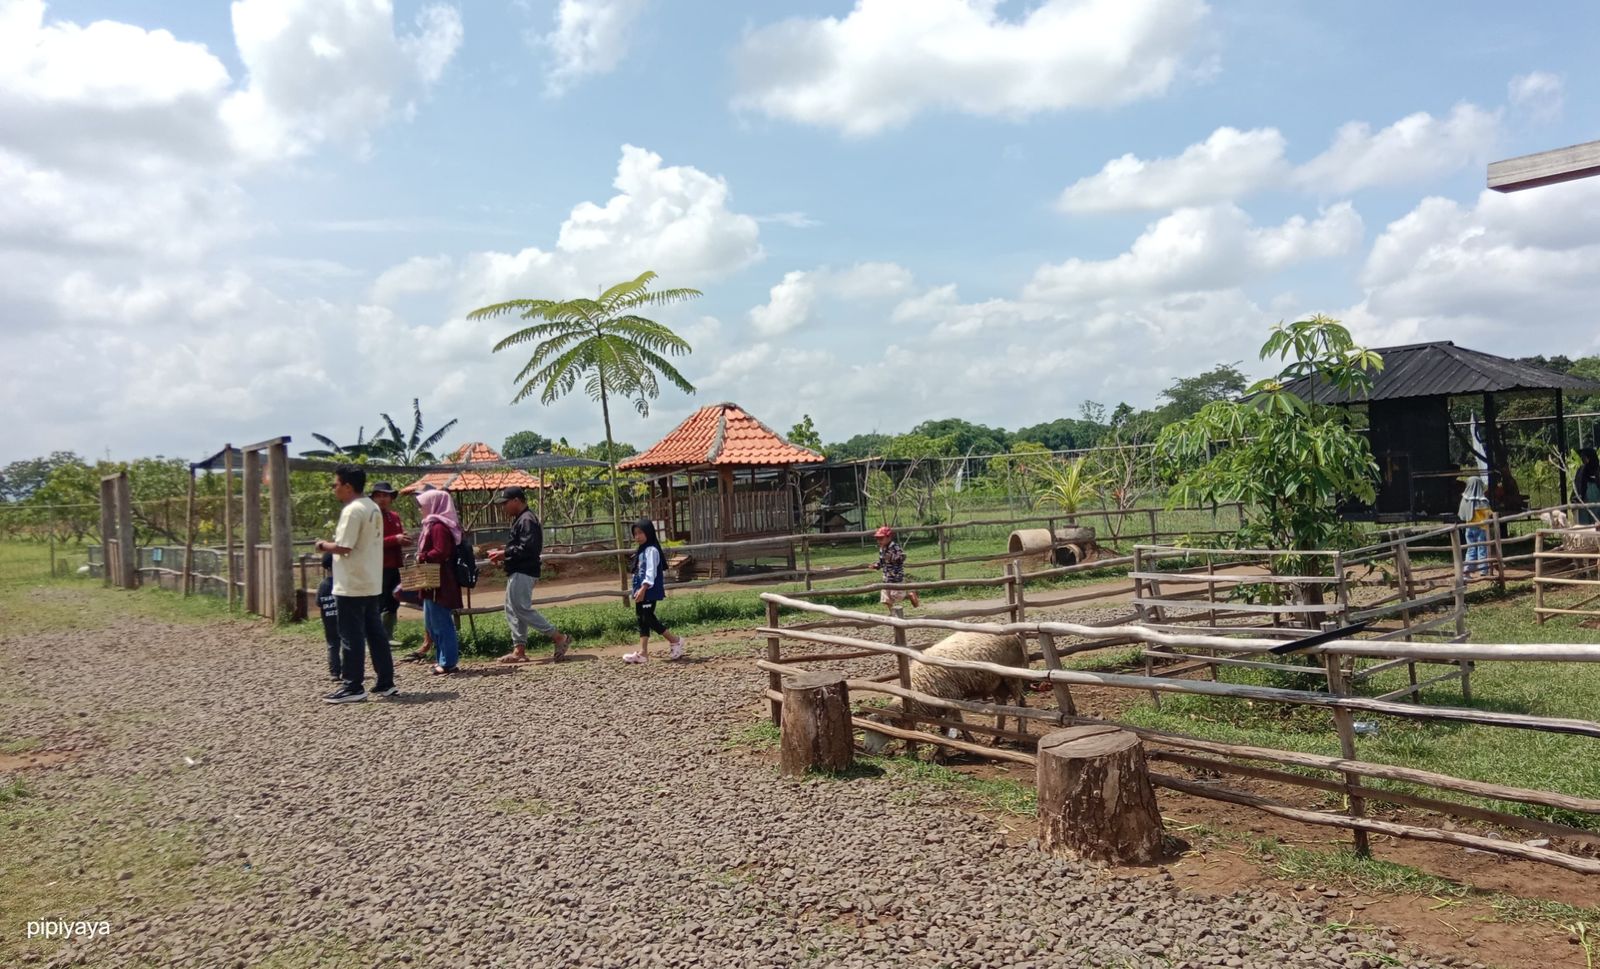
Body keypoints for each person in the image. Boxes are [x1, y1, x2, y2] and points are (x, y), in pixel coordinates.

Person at [315, 465, 397, 703]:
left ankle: (353, 685)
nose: (334, 489)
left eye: (336, 484)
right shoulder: (372, 507)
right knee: (376, 633)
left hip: (351, 582)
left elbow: (344, 546)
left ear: (348, 486)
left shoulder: (352, 510)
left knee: (350, 634)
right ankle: (385, 681)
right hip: (371, 579)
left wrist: (322, 545)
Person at [486, 486, 571, 663]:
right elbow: (521, 547)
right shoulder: (522, 519)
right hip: (519, 570)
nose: (504, 507)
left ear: (516, 500)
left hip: (524, 571)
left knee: (521, 608)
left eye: (506, 503)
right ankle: (519, 650)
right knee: (513, 609)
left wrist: (504, 553)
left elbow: (528, 548)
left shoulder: (527, 520)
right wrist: (505, 554)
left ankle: (558, 637)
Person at [623, 518, 687, 665]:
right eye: (635, 534)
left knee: (648, 617)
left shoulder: (651, 550)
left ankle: (675, 640)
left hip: (648, 590)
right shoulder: (642, 550)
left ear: (649, 532)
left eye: (640, 533)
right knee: (641, 618)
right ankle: (643, 653)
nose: (637, 536)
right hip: (641, 590)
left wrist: (644, 588)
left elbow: (650, 571)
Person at [415, 489, 464, 676]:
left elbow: (441, 552)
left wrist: (423, 556)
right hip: (432, 582)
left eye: (423, 506)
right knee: (432, 622)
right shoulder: (433, 525)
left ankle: (448, 662)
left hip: (440, 582)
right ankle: (442, 658)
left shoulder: (439, 527)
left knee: (441, 622)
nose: (421, 510)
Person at [370, 481, 412, 643]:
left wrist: (404, 539)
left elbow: (399, 538)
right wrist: (395, 539)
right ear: (373, 499)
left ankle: (388, 635)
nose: (382, 499)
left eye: (385, 495)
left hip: (396, 564)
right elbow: (371, 542)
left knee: (394, 599)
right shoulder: (371, 517)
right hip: (379, 566)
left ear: (391, 498)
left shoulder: (394, 516)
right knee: (380, 601)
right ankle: (377, 638)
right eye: (378, 496)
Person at [869, 525, 920, 609]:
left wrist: (892, 557)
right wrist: (876, 565)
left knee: (896, 596)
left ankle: (910, 594)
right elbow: (882, 561)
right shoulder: (882, 549)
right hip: (886, 577)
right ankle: (892, 614)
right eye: (877, 539)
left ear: (889, 537)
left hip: (896, 577)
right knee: (886, 598)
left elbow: (902, 557)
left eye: (881, 538)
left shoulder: (895, 547)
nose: (879, 541)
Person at [1458, 475, 1491, 579]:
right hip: (1481, 528)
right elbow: (1487, 514)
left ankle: (1467, 571)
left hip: (1469, 527)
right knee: (1482, 548)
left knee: (1470, 548)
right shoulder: (1483, 500)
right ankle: (1483, 571)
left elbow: (1461, 515)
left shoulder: (1465, 500)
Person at [317, 553, 341, 682]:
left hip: (329, 621)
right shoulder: (341, 583)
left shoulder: (323, 585)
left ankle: (335, 672)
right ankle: (349, 670)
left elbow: (318, 602)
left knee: (333, 645)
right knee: (348, 644)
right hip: (343, 619)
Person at [1576, 447, 1600, 526]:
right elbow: (1578, 485)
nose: (1583, 460)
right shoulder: (1581, 471)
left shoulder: (1598, 470)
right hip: (1584, 500)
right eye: (1582, 457)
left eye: (1585, 457)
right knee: (1584, 524)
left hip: (1597, 501)